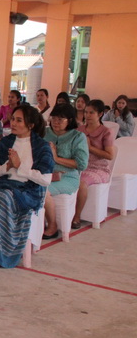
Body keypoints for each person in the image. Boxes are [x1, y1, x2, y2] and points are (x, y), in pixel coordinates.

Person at [0, 105, 54, 267]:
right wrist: (7, 167)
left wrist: (20, 167)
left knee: (2, 197)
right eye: (12, 119)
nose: (13, 123)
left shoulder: (41, 146)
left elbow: (45, 179)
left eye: (19, 120)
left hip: (28, 190)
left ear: (30, 125)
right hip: (4, 185)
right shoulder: (7, 142)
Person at [42, 104, 88, 239]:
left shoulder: (77, 137)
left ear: (70, 120)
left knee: (42, 190)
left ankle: (52, 225)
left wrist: (56, 158)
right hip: (45, 173)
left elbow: (81, 164)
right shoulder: (45, 133)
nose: (55, 122)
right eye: (54, 118)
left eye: (60, 119)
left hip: (67, 177)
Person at [73, 99, 116, 228]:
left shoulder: (106, 131)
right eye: (86, 112)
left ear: (100, 114)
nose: (87, 115)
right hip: (80, 164)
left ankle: (77, 216)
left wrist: (90, 147)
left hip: (99, 168)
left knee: (81, 182)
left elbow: (110, 155)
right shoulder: (80, 129)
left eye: (91, 112)